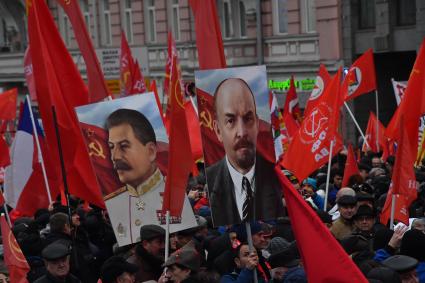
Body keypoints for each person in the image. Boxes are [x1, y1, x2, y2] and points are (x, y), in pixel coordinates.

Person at [105, 108, 197, 246]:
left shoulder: (173, 193)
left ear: (151, 151)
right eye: (111, 147)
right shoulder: (113, 202)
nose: (114, 156)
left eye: (123, 146)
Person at [206, 78, 284, 226]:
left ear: (257, 123)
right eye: (230, 121)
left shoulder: (276, 179)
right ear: (218, 130)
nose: (241, 132)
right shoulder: (210, 182)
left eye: (248, 118)